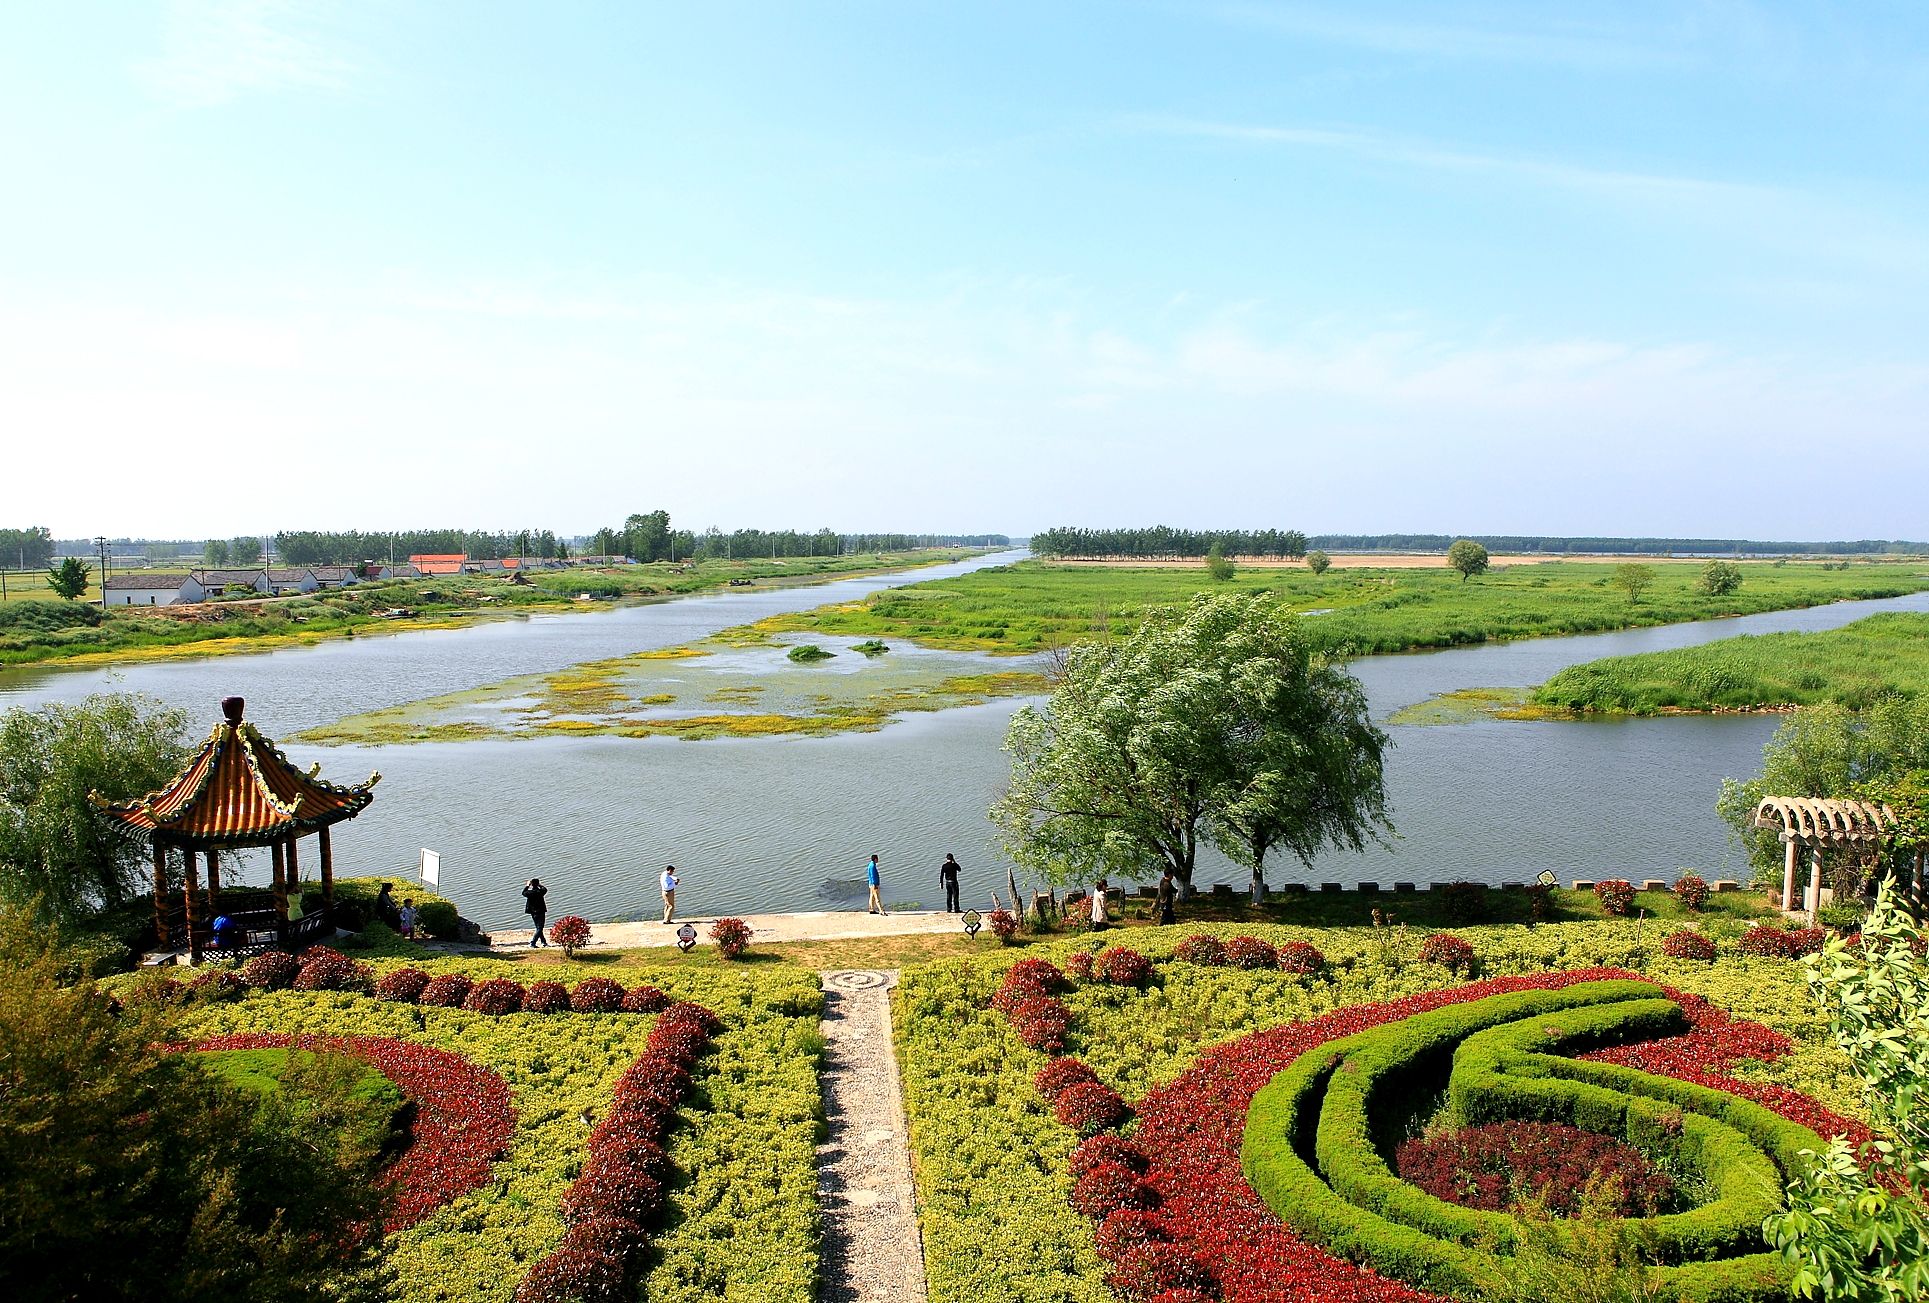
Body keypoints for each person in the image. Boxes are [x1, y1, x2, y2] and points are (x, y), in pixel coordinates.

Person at [522, 877, 549, 947]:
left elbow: (523, 893)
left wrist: (527, 885)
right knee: (540, 928)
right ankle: (533, 942)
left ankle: (544, 942)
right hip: (541, 912)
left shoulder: (529, 893)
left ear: (532, 885)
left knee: (538, 928)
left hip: (533, 912)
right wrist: (539, 885)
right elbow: (545, 889)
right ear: (537, 884)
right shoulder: (540, 892)